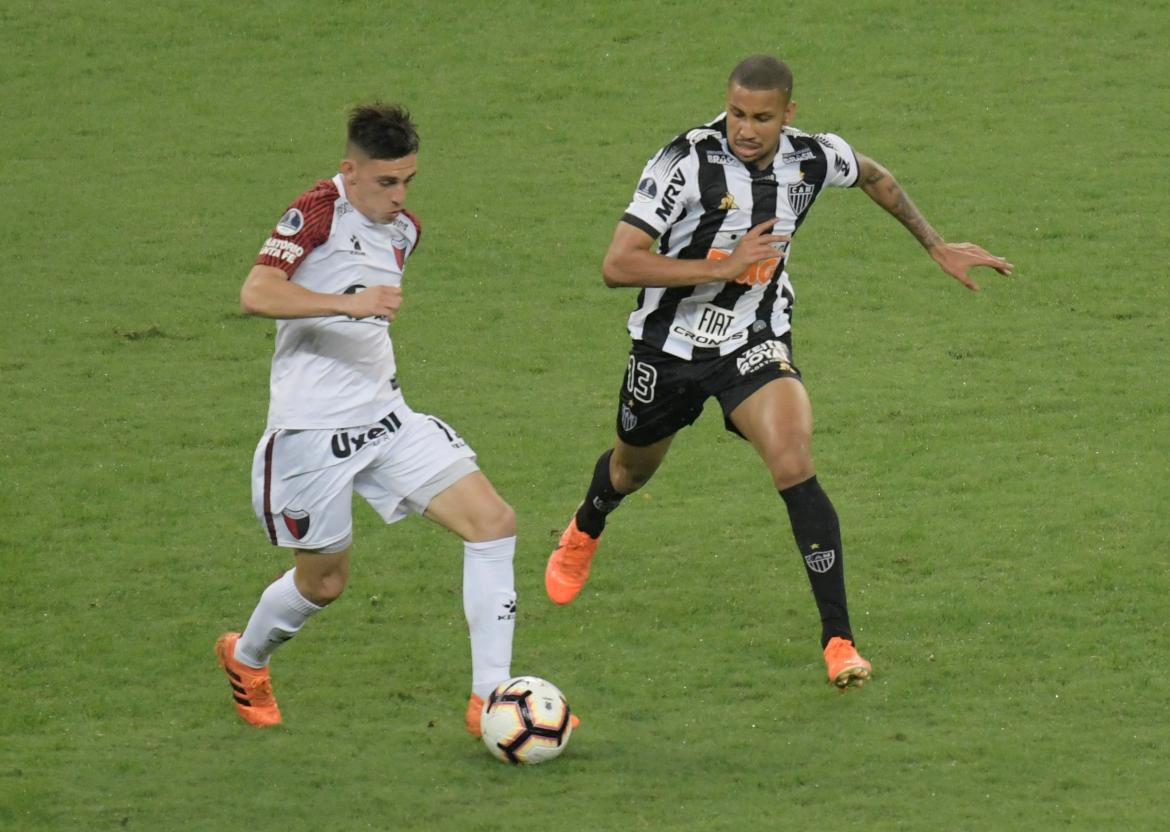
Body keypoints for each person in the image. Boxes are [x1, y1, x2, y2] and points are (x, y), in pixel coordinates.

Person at [545, 55, 1013, 688]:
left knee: (792, 456)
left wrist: (935, 243)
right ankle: (586, 524)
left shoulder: (811, 158)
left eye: (761, 117)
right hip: (666, 348)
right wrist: (721, 267)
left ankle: (839, 641)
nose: (745, 128)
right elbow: (618, 264)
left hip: (752, 339)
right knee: (632, 468)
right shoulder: (685, 162)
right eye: (737, 112)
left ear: (788, 115)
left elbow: (875, 175)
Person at [216, 103, 517, 734]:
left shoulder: (404, 231)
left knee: (492, 523)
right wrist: (346, 305)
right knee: (324, 584)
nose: (399, 196)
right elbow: (256, 293)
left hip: (385, 418)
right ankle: (246, 658)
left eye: (408, 180)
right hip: (309, 434)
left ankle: (489, 698)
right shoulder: (318, 211)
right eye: (386, 182)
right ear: (349, 170)